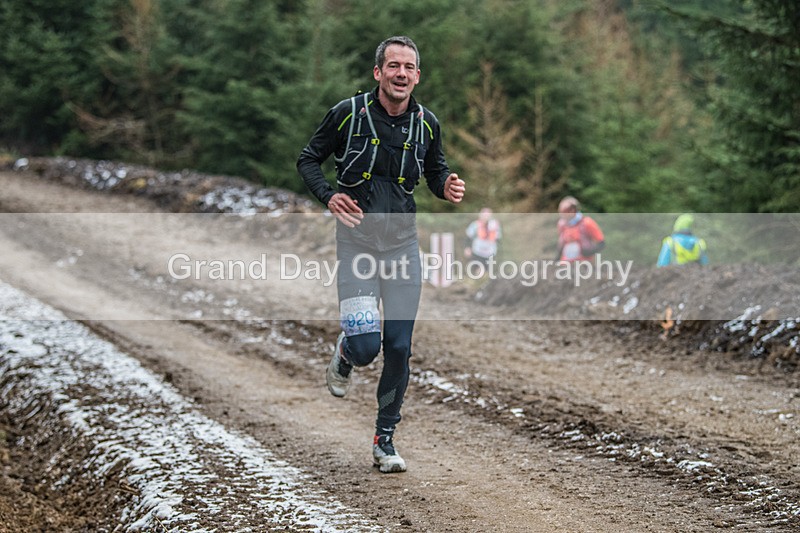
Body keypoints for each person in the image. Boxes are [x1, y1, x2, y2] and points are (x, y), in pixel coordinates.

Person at [297, 36, 465, 473]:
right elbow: (308, 159)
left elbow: (435, 169)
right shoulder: (347, 114)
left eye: (409, 67)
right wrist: (329, 196)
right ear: (378, 72)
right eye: (393, 66)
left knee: (399, 346)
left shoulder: (426, 123)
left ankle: (384, 440)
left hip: (403, 247)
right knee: (368, 345)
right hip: (356, 246)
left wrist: (445, 185)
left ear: (417, 76)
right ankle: (347, 352)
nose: (401, 74)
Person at [555, 196, 605, 262]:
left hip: (585, 263)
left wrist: (589, 252)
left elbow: (602, 243)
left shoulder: (587, 223)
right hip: (566, 263)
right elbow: (561, 243)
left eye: (565, 212)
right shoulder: (562, 224)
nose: (563, 215)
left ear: (573, 210)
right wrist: (557, 258)